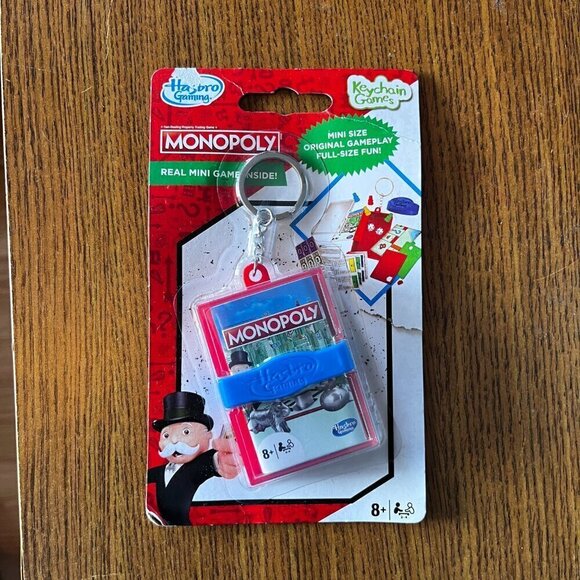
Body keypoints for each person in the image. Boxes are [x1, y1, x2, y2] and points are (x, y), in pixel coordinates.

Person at [147, 391, 239, 525]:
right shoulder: (162, 470)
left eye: (186, 432)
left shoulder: (198, 465)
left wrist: (223, 458)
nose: (174, 441)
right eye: (166, 435)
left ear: (208, 435)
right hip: (162, 523)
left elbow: (211, 461)